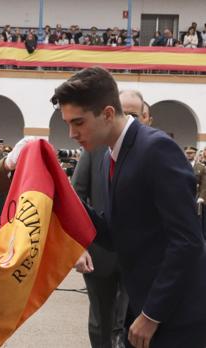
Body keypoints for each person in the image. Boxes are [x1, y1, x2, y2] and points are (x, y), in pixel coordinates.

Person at [53, 66, 206, 348]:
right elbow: (115, 234)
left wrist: (152, 314)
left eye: (79, 122)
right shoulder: (112, 154)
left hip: (175, 318)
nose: (72, 133)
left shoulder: (156, 149)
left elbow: (188, 242)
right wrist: (62, 195)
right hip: (144, 306)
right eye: (68, 124)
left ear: (108, 114)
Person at [73, 88, 152, 348]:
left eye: (134, 115)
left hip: (137, 255)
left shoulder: (154, 153)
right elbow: (77, 197)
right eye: (123, 113)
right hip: (100, 254)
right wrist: (79, 246)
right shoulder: (95, 150)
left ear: (146, 118)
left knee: (131, 317)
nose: (128, 120)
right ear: (111, 114)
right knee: (101, 319)